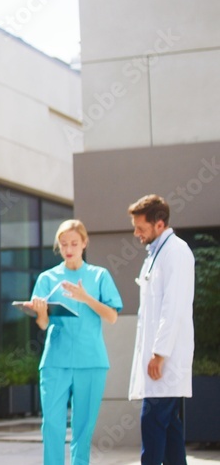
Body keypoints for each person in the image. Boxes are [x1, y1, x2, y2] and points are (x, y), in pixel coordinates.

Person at [24, 219, 122, 465]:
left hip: (91, 361)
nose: (69, 248)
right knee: (52, 427)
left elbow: (111, 316)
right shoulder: (48, 278)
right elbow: (43, 324)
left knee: (83, 429)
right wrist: (41, 312)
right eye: (64, 243)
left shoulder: (99, 275)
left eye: (74, 243)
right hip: (55, 361)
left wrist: (85, 297)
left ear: (84, 243)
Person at [127, 194, 195, 465]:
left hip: (165, 361)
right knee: (170, 430)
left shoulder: (176, 252)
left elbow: (174, 306)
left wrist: (159, 353)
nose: (136, 233)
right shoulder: (156, 254)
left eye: (140, 228)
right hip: (160, 361)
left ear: (159, 224)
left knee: (153, 427)